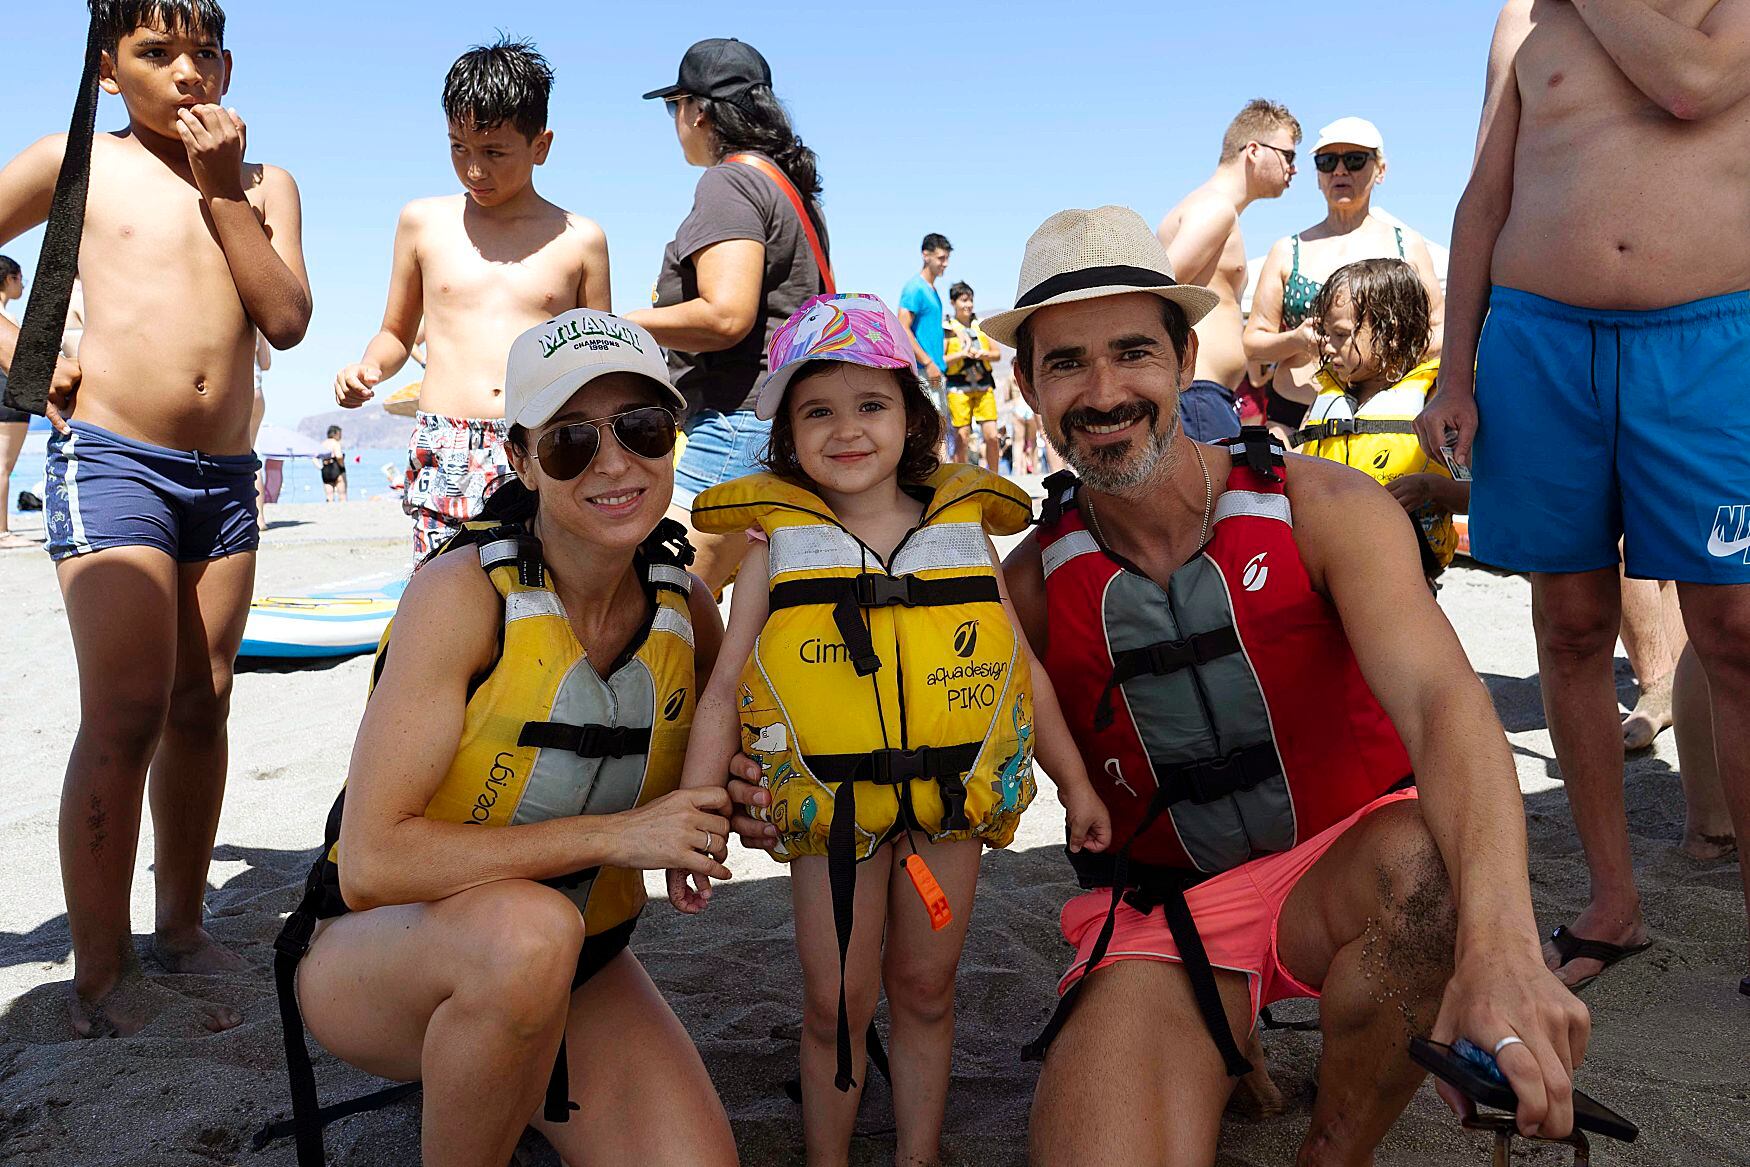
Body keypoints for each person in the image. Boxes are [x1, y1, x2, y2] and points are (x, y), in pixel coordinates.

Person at [968, 205, 1582, 1163]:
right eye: (1064, 363)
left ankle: (1333, 1150)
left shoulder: (1324, 508)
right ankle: (1225, 1045)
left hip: (1350, 871)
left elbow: (1444, 706)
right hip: (1169, 914)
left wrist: (1502, 944)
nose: (1103, 392)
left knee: (1434, 869)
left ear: (1182, 358)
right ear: (1027, 385)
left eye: (1132, 352)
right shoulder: (1028, 589)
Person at [274, 311, 738, 1167]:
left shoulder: (687, 607)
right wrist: (620, 836)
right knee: (528, 934)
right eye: (569, 440)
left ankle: (505, 1069)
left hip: (576, 960)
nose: (614, 462)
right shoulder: (462, 595)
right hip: (380, 956)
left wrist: (746, 797)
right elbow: (373, 862)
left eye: (642, 428)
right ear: (519, 459)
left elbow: (720, 767)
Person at [672, 292, 1110, 1167]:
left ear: (910, 416)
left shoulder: (963, 538)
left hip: (948, 805)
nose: (846, 429)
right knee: (835, 999)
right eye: (817, 410)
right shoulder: (772, 548)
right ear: (785, 432)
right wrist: (694, 815)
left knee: (925, 988)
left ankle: (918, 1153)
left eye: (870, 404)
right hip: (829, 817)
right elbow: (723, 688)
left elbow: (1022, 672)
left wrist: (1077, 782)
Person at [1417, 0, 1750, 994]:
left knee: (1733, 632)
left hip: (1708, 343)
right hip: (1537, 345)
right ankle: (1613, 902)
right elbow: (1485, 195)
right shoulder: (1522, 17)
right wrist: (1452, 371)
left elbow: (1693, 87)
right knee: (1565, 626)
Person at [0, 0, 311, 1035]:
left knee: (203, 703)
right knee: (125, 710)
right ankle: (100, 975)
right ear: (106, 69)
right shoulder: (75, 162)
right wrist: (20, 349)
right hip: (113, 460)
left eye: (205, 51)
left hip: (223, 475)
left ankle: (180, 930)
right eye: (157, 51)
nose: (188, 72)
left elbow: (288, 318)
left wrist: (228, 197)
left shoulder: (264, 183)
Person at [334, 37, 610, 566]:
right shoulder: (423, 223)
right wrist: (369, 367)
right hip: (446, 442)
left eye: (493, 152)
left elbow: (596, 364)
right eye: (458, 147)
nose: (474, 170)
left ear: (541, 146)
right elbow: (395, 333)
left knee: (541, 601)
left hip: (541, 442)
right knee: (442, 601)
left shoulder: (580, 239)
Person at [624, 37, 832, 595]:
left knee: (666, 599)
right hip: (782, 422)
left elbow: (726, 316)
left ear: (699, 109)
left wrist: (617, 323)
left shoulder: (729, 182)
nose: (675, 121)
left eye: (675, 106)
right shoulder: (789, 188)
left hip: (739, 422)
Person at [1245, 117, 1445, 440]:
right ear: (1318, 176)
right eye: (1326, 162)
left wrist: (1383, 352)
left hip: (1386, 418)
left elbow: (1440, 330)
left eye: (1354, 160)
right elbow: (1253, 343)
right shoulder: (1286, 250)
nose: (1339, 171)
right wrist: (1297, 340)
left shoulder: (1407, 245)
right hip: (1294, 416)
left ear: (1380, 170)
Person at [1294, 258, 1464, 581]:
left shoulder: (1433, 402)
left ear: (1392, 334)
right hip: (1327, 571)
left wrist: (1430, 488)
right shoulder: (1326, 399)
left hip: (1404, 576)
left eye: (1341, 335)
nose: (1326, 347)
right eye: (1325, 334)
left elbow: (1473, 495)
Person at [1156, 98, 1301, 442]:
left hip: (1204, 397)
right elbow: (1158, 288)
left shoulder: (1212, 208)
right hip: (1197, 398)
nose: (1293, 169)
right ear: (1253, 150)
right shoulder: (1216, 209)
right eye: (1289, 156)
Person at [943, 280, 1002, 468]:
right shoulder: (948, 330)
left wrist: (983, 354)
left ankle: (995, 479)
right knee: (962, 436)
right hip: (958, 388)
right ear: (953, 303)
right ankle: (962, 480)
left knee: (992, 436)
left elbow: (997, 354)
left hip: (984, 385)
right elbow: (941, 361)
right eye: (963, 300)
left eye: (970, 300)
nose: (968, 305)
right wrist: (962, 353)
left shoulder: (981, 327)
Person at [898, 232, 952, 403]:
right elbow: (902, 327)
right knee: (929, 428)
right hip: (923, 372)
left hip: (935, 371)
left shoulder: (933, 291)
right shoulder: (915, 288)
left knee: (940, 428)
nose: (946, 264)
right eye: (941, 258)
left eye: (947, 258)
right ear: (926, 255)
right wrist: (928, 363)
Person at [0, 254, 28, 549]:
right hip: (8, 397)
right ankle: (3, 531)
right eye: (21, 279)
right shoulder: (7, 319)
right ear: (9, 279)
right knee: (3, 466)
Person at [316, 424, 347, 503]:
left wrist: (320, 467)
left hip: (325, 468)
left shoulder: (322, 444)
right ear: (335, 434)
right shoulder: (335, 443)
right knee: (342, 494)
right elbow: (339, 456)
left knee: (329, 495)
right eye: (340, 434)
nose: (340, 437)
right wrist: (341, 465)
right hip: (335, 467)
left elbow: (314, 457)